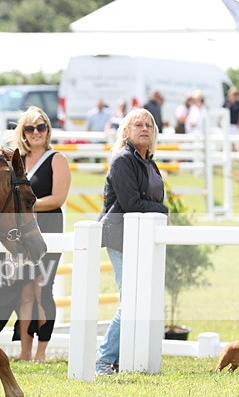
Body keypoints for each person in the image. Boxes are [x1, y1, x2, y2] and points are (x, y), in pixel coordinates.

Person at [0, 106, 71, 362]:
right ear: (23, 132)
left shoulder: (56, 159)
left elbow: (58, 198)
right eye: (30, 128)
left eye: (41, 127)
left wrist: (24, 205)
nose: (36, 132)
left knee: (42, 289)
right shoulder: (15, 160)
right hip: (18, 230)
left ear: (48, 130)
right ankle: (25, 351)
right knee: (23, 290)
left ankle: (42, 352)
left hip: (47, 227)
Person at [95, 108, 169, 376]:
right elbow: (132, 204)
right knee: (131, 300)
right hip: (120, 237)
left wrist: (159, 210)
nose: (145, 128)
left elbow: (151, 201)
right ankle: (104, 359)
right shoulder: (122, 160)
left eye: (149, 124)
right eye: (138, 124)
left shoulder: (149, 161)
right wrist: (164, 212)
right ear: (126, 130)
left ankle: (120, 357)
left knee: (140, 299)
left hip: (142, 238)